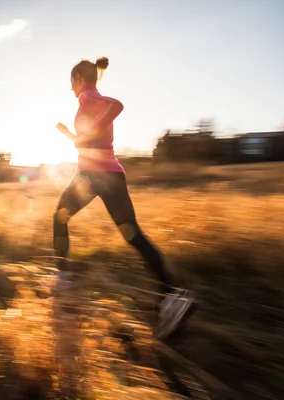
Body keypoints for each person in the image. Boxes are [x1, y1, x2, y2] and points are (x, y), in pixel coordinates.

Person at [53, 57, 194, 339]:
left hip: (93, 176)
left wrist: (88, 131)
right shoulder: (90, 100)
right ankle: (173, 296)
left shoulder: (89, 98)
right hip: (111, 174)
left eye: (71, 82)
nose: (70, 89)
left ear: (79, 79)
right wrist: (68, 133)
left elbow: (116, 106)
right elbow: (89, 143)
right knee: (132, 235)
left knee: (60, 216)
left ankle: (64, 281)